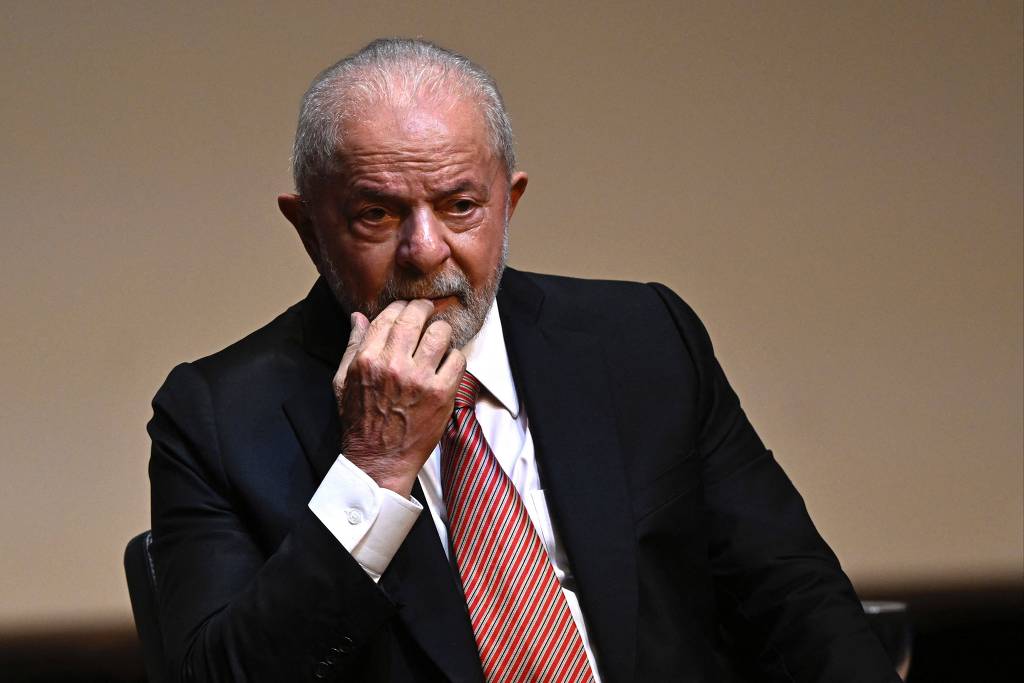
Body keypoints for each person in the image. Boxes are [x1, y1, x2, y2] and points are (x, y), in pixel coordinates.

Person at [148, 38, 900, 682]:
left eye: (460, 206)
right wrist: (374, 471)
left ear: (509, 203)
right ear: (309, 229)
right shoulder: (217, 418)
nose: (425, 251)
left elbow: (797, 602)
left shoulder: (642, 339)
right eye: (376, 213)